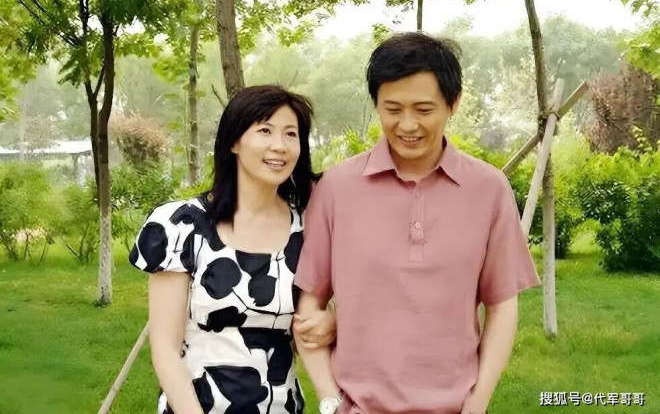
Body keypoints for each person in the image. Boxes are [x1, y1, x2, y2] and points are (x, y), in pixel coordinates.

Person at [293, 32, 541, 414]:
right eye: (392, 109)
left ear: (453, 103)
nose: (407, 125)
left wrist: (477, 403)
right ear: (376, 104)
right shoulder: (336, 188)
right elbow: (309, 312)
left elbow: (502, 307)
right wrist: (330, 402)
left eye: (423, 110)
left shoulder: (488, 189)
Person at [129, 85, 336, 414]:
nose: (279, 145)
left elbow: (309, 328)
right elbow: (165, 349)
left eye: (291, 134)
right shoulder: (182, 225)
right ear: (234, 142)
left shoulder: (308, 227)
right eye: (265, 130)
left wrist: (331, 324)